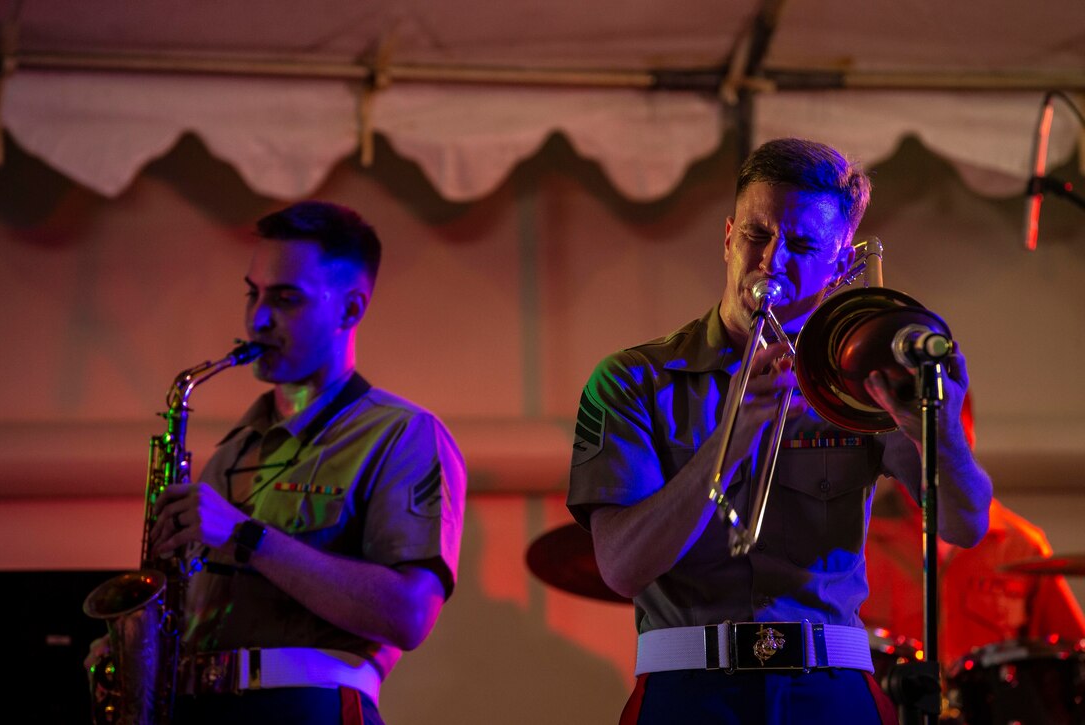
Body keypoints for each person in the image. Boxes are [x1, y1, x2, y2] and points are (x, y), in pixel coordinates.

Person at [566, 138, 993, 724]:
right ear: (726, 238)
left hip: (831, 688)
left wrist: (938, 433)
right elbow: (621, 567)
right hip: (688, 691)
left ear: (842, 266)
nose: (770, 261)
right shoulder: (631, 379)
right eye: (755, 234)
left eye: (801, 244)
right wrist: (731, 439)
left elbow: (967, 525)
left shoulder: (861, 379)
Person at [87, 201, 467, 725]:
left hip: (308, 706)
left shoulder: (402, 433)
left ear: (350, 310)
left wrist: (248, 537)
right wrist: (133, 654)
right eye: (253, 292)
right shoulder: (229, 453)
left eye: (286, 298)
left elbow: (409, 615)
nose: (257, 319)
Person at [864, 396, 1085, 666]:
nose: (928, 458)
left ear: (968, 438)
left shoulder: (1020, 544)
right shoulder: (859, 539)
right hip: (891, 706)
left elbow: (1071, 652)